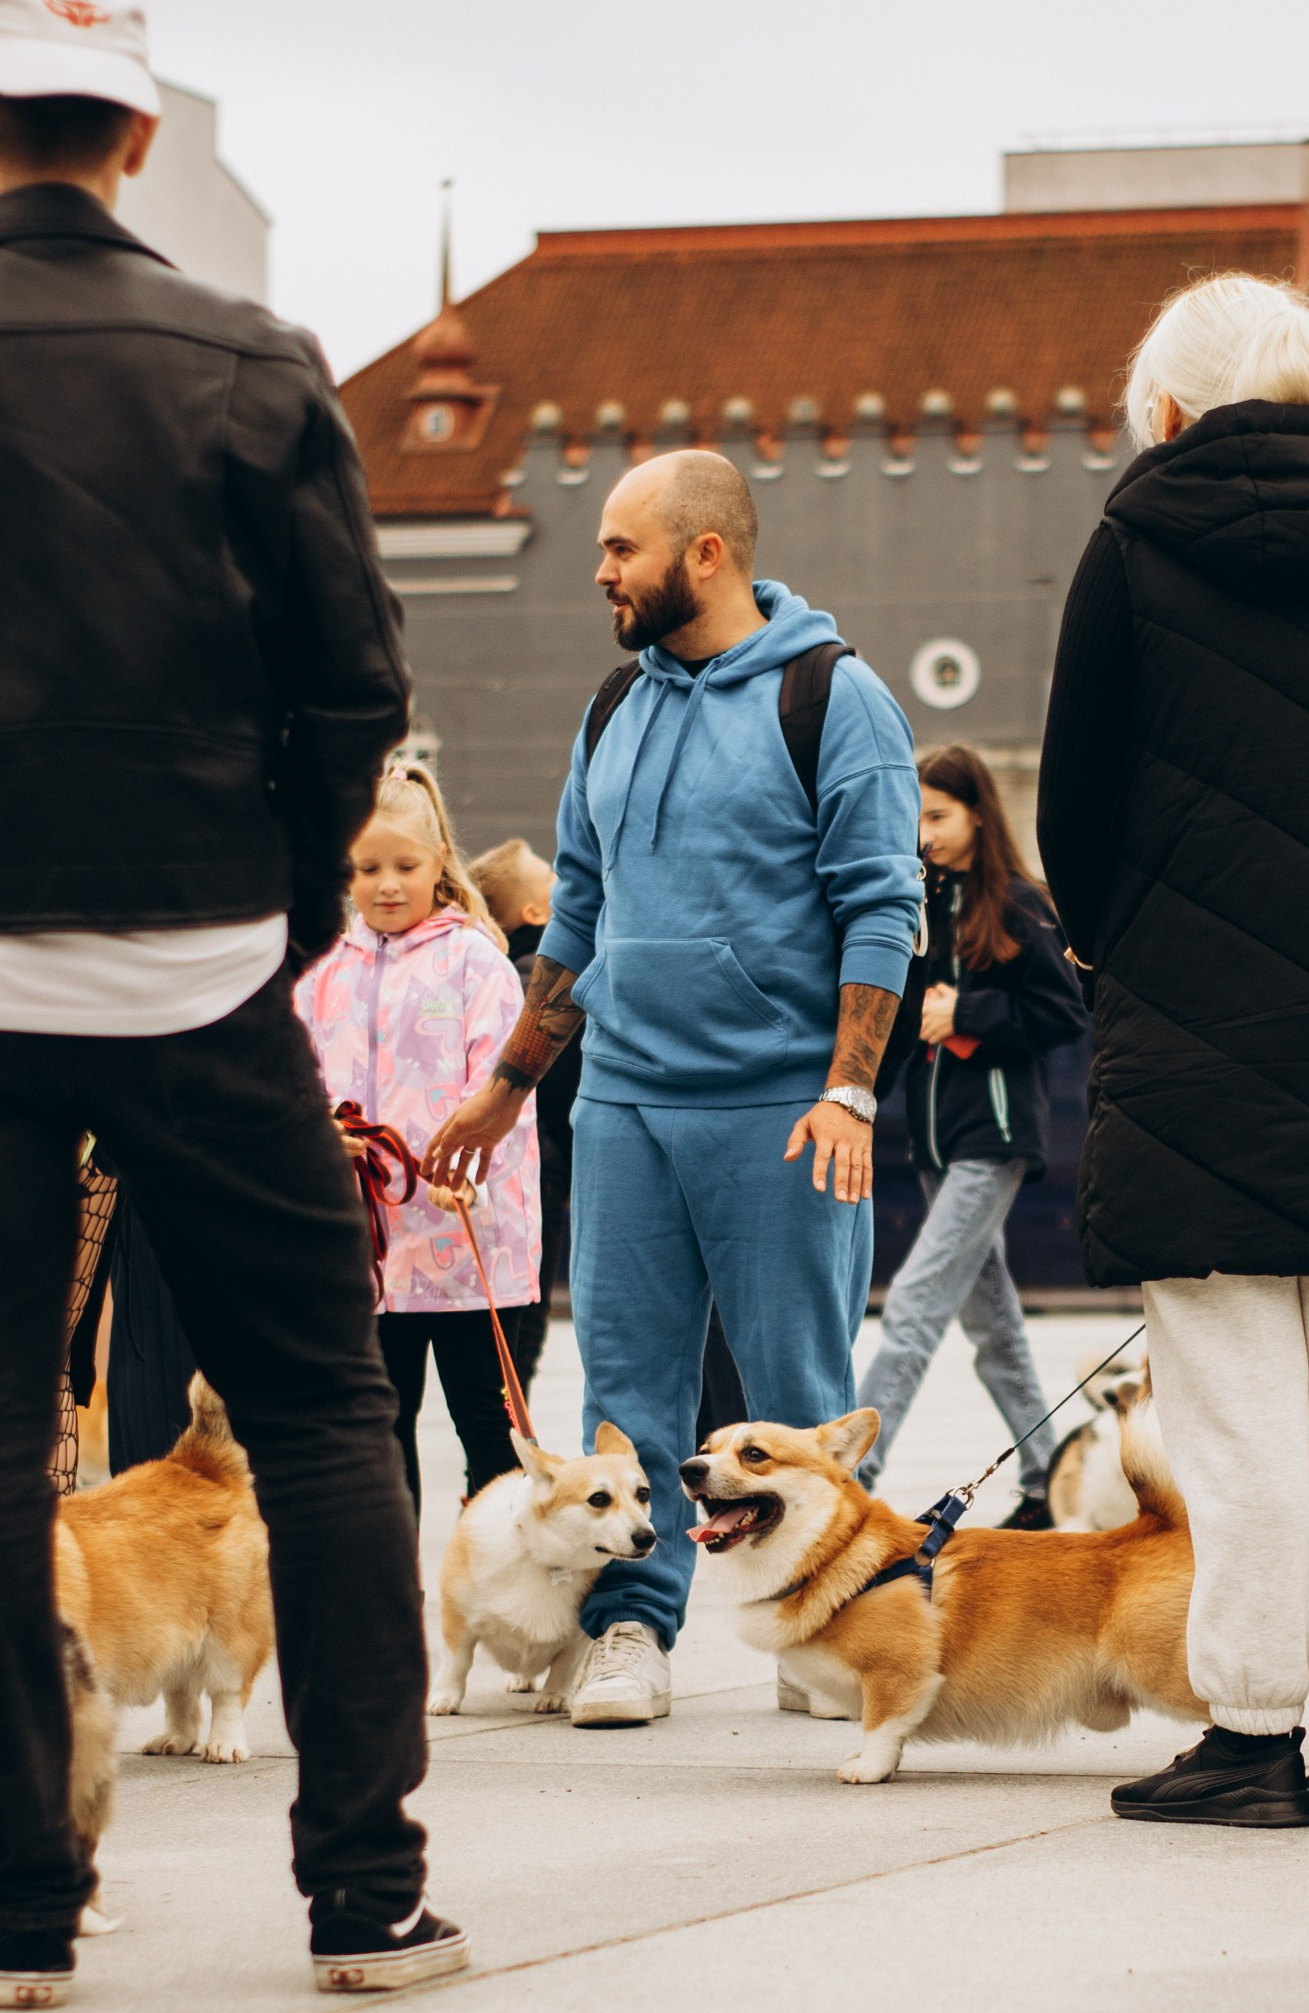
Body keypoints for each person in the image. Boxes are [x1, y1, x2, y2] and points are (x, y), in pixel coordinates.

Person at [0, 0, 461, 2004]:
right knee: (326, 1415)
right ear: (136, 134)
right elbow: (354, 688)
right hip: (203, 964)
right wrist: (268, 920)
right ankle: (364, 1888)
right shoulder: (252, 357)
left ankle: (20, 1907)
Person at [1038, 271, 1309, 1831]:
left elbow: (1074, 804)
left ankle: (1256, 1731)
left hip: (1196, 1036)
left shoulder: (1135, 549)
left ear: (1168, 408)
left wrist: (1125, 939)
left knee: (1234, 1417)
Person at [424, 451, 921, 1727]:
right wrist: (503, 1088)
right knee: (624, 1397)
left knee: (794, 1400)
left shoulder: (834, 696)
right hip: (626, 1104)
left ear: (704, 553)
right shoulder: (611, 707)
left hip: (783, 1113)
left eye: (619, 549)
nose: (599, 571)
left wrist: (849, 1093)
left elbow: (883, 908)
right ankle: (629, 1633)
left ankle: (834, 1633)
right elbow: (573, 917)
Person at [297, 766, 540, 1521]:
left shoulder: (476, 961)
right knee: (379, 1428)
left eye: (406, 866)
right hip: (371, 1254)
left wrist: (469, 1167)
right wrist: (317, 1135)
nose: (387, 885)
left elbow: (503, 1084)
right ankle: (393, 1593)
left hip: (471, 1247)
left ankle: (502, 1584)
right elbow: (295, 1072)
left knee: (486, 1426)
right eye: (367, 868)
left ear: (441, 861)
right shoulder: (323, 970)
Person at [855, 744, 1087, 1523]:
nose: (925, 833)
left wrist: (970, 1014)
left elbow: (1063, 1013)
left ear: (980, 814)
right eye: (916, 817)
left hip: (992, 1138)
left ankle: (847, 1482)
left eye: (939, 815)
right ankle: (1048, 1479)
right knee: (995, 1329)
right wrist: (853, 1101)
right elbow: (890, 1029)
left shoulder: (1020, 904)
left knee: (914, 1308)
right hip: (935, 1142)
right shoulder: (917, 909)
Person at [468, 835, 577, 1394]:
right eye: (553, 881)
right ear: (535, 912)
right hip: (548, 1165)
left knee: (518, 1315)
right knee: (527, 1317)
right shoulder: (543, 977)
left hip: (533, 1163)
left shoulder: (498, 973)